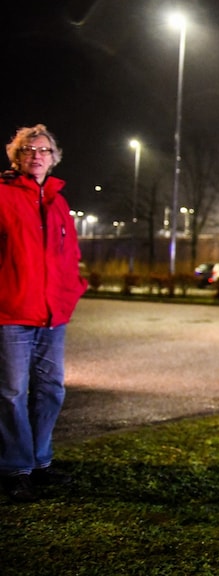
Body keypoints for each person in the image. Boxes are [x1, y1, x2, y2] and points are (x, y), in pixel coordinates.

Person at [0, 124, 88, 502]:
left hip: (53, 316)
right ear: (17, 157)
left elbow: (71, 255)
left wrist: (72, 290)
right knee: (12, 392)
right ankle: (15, 467)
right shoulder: (3, 195)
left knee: (50, 390)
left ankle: (40, 461)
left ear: (53, 159)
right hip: (12, 312)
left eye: (44, 150)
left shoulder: (58, 201)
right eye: (29, 150)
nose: (37, 155)